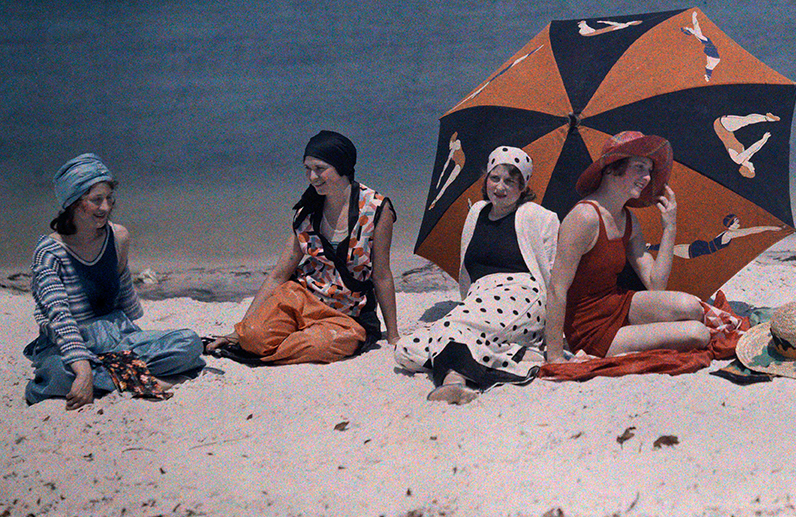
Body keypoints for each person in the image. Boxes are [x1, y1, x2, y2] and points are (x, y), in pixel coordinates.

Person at [25, 154, 204, 408]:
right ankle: (136, 376)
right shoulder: (49, 253)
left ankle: (118, 376)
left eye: (109, 199)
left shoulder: (118, 236)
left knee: (189, 343)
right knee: (58, 373)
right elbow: (60, 319)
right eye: (96, 200)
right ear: (73, 204)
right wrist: (83, 370)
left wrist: (137, 341)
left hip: (117, 335)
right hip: (69, 341)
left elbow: (124, 297)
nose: (106, 207)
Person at [208, 130, 399, 363]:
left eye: (320, 168)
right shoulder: (307, 210)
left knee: (320, 345)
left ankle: (283, 345)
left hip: (347, 314)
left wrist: (393, 336)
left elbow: (381, 275)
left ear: (342, 166)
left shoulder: (377, 209)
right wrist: (240, 331)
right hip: (300, 297)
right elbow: (279, 276)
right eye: (307, 169)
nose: (312, 176)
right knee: (253, 337)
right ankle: (268, 340)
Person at [394, 146, 558, 404]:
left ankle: (454, 384)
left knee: (454, 329)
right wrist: (468, 302)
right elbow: (467, 270)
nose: (501, 187)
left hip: (523, 295)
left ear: (523, 187)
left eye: (511, 181)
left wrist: (555, 332)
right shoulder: (476, 212)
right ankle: (513, 354)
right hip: (479, 299)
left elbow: (552, 274)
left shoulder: (539, 217)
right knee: (406, 350)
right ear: (486, 179)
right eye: (495, 178)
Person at [544, 131, 709, 363]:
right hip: (589, 327)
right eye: (640, 167)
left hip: (616, 303)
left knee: (692, 307)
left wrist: (669, 228)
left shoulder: (628, 219)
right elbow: (557, 288)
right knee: (698, 333)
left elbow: (656, 285)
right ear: (612, 168)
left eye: (649, 170)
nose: (648, 177)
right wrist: (554, 356)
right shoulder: (584, 217)